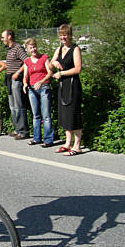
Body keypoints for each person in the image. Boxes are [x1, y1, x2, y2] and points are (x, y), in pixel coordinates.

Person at [50, 24, 83, 156]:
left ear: (70, 35)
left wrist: (62, 74)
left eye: (65, 35)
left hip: (72, 85)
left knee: (73, 114)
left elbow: (77, 69)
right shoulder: (59, 49)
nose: (63, 37)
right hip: (63, 85)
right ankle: (67, 143)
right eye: (61, 35)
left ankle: (77, 145)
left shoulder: (75, 49)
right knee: (64, 114)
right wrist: (54, 63)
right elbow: (51, 61)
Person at [22, 38, 54, 147]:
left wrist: (41, 81)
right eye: (31, 48)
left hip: (44, 87)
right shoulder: (27, 61)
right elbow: (26, 75)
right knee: (35, 115)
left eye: (34, 47)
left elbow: (50, 72)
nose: (33, 49)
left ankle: (48, 139)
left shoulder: (44, 58)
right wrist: (25, 83)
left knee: (46, 115)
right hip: (32, 89)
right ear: (27, 49)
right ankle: (36, 138)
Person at [1, 29, 29, 140]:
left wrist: (18, 72)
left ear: (10, 36)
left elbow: (27, 61)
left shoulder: (18, 48)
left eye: (3, 37)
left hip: (16, 79)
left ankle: (23, 131)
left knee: (18, 105)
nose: (2, 39)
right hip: (9, 79)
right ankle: (17, 128)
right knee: (12, 106)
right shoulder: (9, 49)